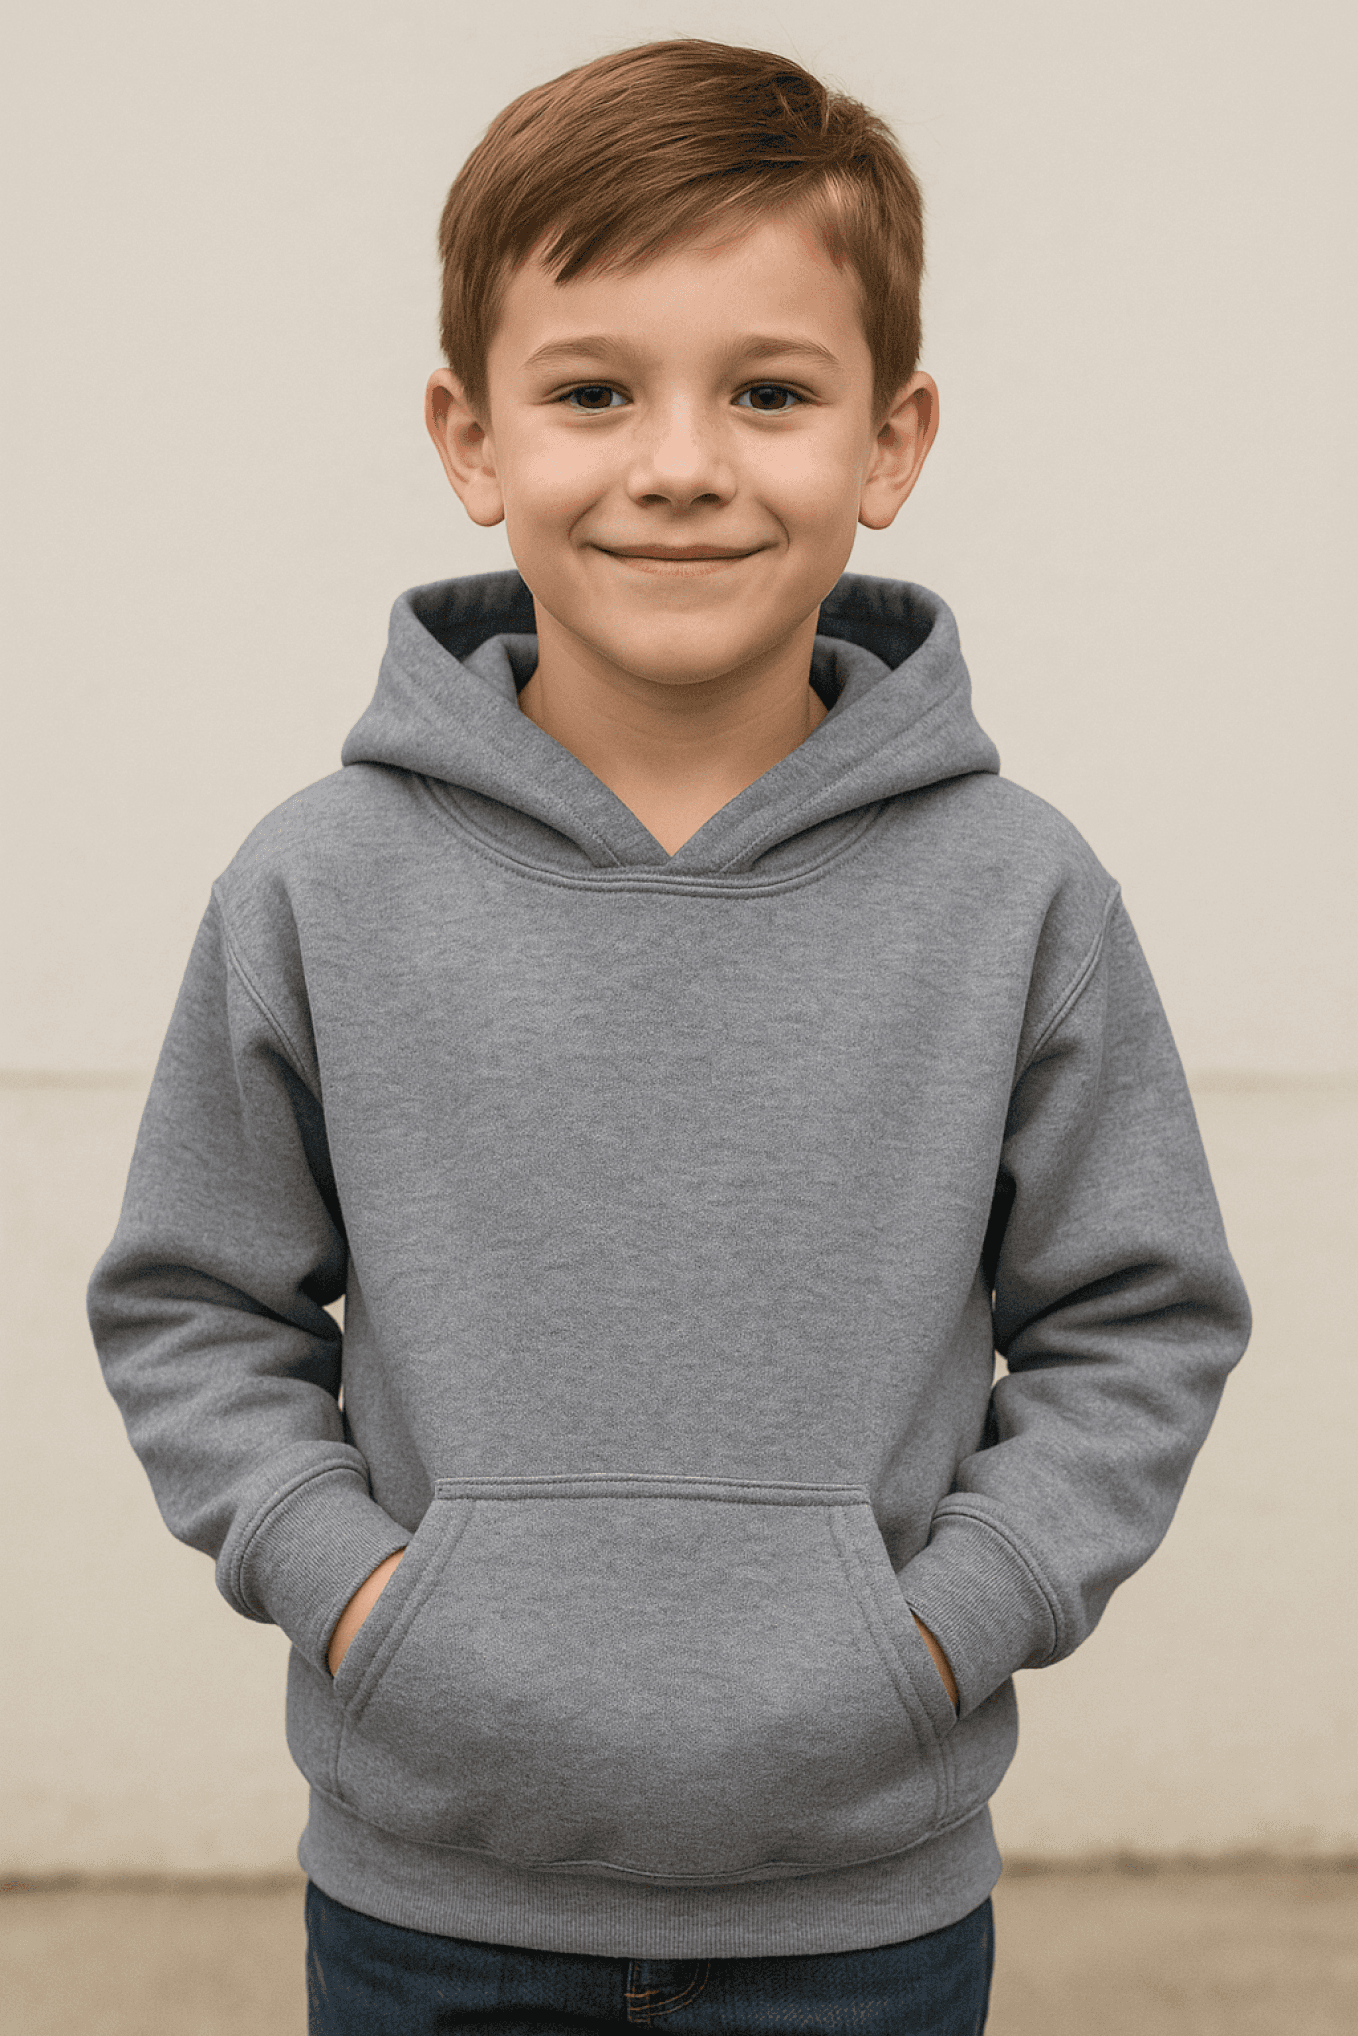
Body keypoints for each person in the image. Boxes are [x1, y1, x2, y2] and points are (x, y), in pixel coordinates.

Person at [88, 37, 1251, 2036]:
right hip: (430, 1897)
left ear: (892, 440)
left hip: (855, 1913)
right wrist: (371, 1604)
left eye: (772, 393)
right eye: (595, 391)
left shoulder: (1017, 895)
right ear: (472, 435)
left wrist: (931, 1635)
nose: (683, 462)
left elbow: (1134, 1320)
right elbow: (194, 1301)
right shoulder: (317, 884)